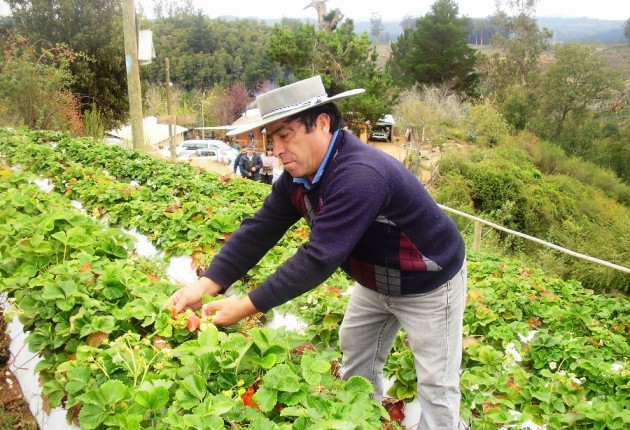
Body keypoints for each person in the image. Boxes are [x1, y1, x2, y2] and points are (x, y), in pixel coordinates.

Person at [168, 75, 467, 429]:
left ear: (322, 123)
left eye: (284, 135)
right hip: (375, 279)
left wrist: (245, 306)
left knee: (436, 382)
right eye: (271, 138)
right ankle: (363, 419)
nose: (276, 150)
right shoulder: (297, 178)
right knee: (356, 352)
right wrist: (203, 287)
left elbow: (319, 257)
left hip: (429, 281)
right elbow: (259, 230)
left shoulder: (359, 174)